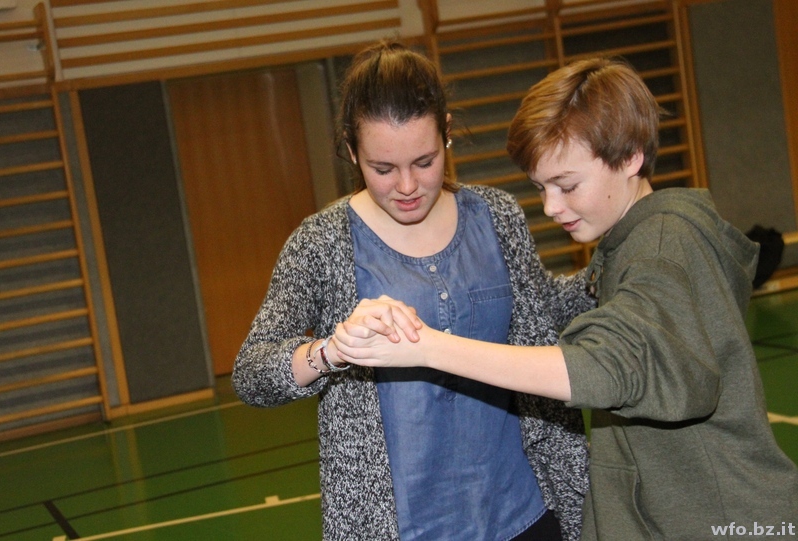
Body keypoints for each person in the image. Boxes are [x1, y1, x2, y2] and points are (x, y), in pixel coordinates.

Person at [333, 57, 798, 540]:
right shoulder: (626, 245)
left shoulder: (663, 247)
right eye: (541, 188)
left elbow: (616, 365)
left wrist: (429, 347)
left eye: (567, 185)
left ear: (631, 156)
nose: (552, 207)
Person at [232, 40, 597, 541]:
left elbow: (542, 309)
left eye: (424, 161)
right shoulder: (321, 244)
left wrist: (613, 266)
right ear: (351, 150)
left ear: (446, 133)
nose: (407, 185)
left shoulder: (497, 216)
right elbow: (252, 374)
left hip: (525, 511)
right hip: (404, 529)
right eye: (383, 169)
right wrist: (331, 351)